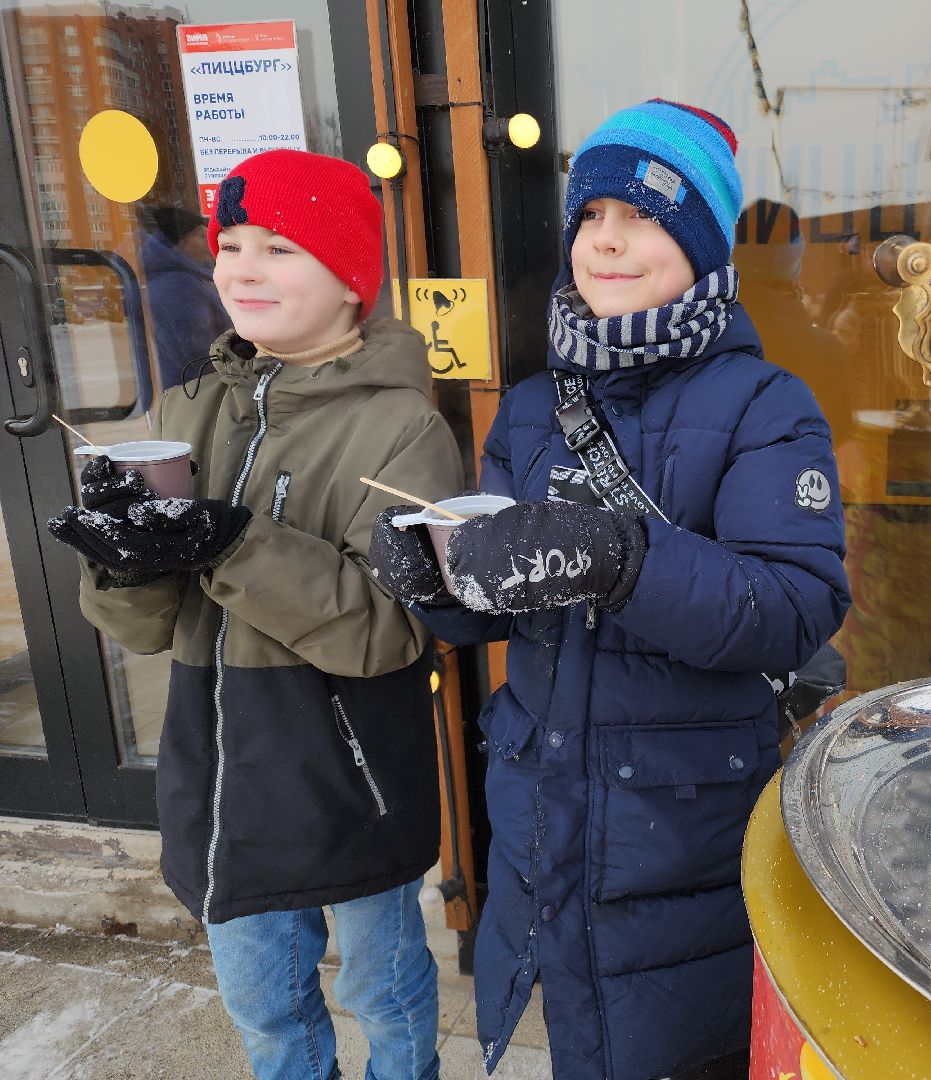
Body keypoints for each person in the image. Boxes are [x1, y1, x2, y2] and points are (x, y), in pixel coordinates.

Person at [370, 100, 851, 1080]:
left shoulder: (765, 406)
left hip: (683, 844)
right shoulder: (538, 404)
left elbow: (794, 604)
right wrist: (437, 578)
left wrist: (621, 557)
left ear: (704, 242)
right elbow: (503, 587)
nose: (609, 240)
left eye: (644, 216)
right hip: (547, 824)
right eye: (591, 216)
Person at [49, 149, 464, 1080]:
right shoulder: (188, 406)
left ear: (352, 280)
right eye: (230, 243)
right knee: (264, 1008)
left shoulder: (403, 427)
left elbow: (385, 629)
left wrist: (232, 541)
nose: (241, 266)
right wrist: (125, 560)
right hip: (220, 783)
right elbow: (147, 627)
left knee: (383, 991)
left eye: (279, 246)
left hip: (348, 780)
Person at [140, 205, 230, 390]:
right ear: (181, 241)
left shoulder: (185, 275)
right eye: (199, 235)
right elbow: (196, 350)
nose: (208, 241)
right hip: (196, 389)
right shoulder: (178, 285)